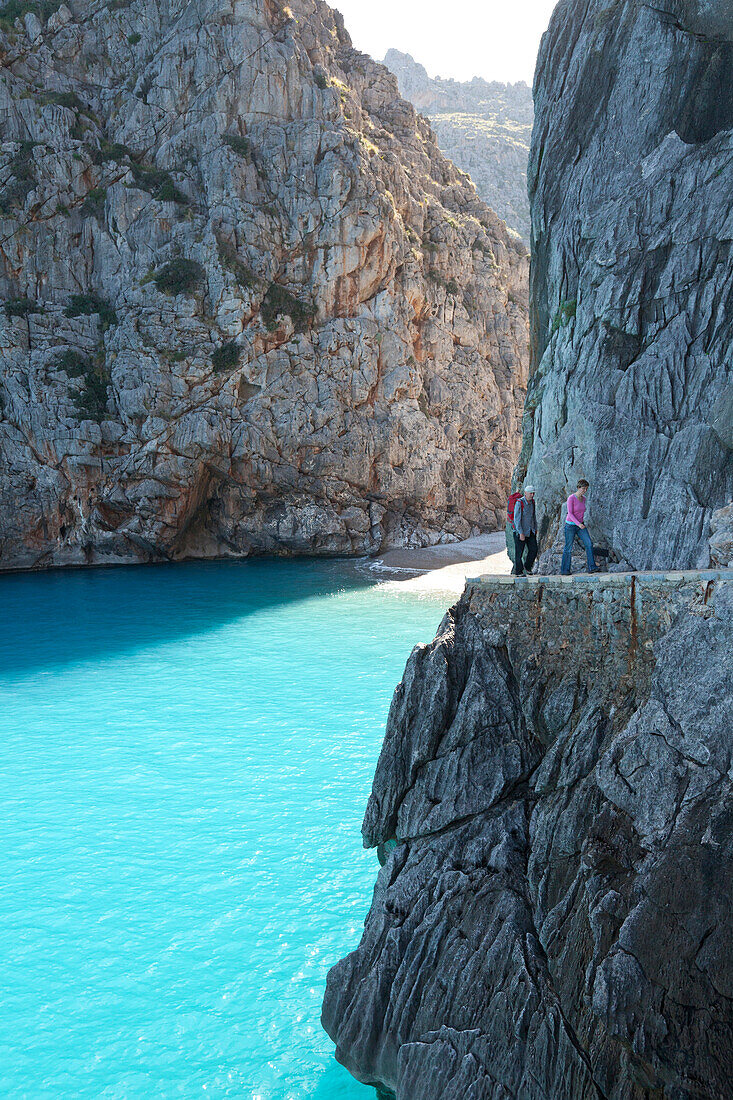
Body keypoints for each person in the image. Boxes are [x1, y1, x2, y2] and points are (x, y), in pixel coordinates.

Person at [561, 479, 598, 575]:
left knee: (589, 543)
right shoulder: (571, 498)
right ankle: (565, 570)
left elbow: (581, 512)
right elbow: (570, 513)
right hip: (570, 525)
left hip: (580, 525)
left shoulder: (584, 499)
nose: (585, 490)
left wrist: (581, 523)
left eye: (586, 489)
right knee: (568, 547)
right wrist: (578, 524)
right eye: (583, 488)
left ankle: (592, 567)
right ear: (578, 488)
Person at [513, 485, 537, 576]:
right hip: (520, 532)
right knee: (519, 553)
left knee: (534, 549)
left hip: (530, 531)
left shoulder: (532, 503)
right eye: (530, 493)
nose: (532, 495)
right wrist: (520, 532)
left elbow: (533, 517)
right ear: (525, 493)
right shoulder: (520, 503)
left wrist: (535, 528)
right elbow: (517, 519)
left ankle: (527, 567)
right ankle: (518, 572)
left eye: (533, 493)